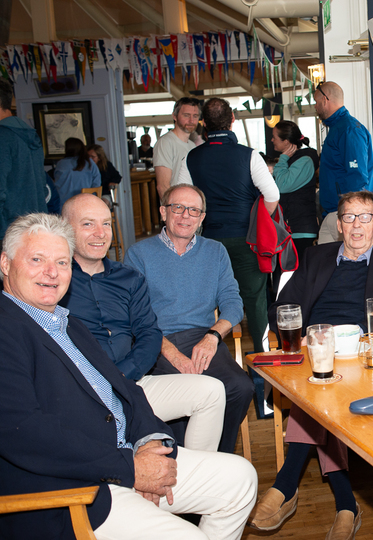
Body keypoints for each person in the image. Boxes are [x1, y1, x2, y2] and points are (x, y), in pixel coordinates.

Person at [0, 213, 257, 540]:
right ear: (5, 263)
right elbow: (24, 433)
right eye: (37, 260)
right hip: (77, 489)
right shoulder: (8, 329)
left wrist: (150, 442)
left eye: (62, 262)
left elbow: (126, 390)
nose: (52, 272)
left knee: (241, 479)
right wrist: (130, 468)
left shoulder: (68, 324)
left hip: (125, 456)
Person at [250, 191, 373, 539]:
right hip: (314, 348)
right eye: (349, 217)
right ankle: (345, 505)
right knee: (321, 387)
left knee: (320, 394)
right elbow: (282, 306)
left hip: (362, 351)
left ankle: (288, 486)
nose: (357, 225)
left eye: (365, 217)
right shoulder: (316, 256)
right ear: (339, 225)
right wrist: (304, 334)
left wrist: (357, 335)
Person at [60, 193, 226, 452]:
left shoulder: (128, 278)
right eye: (88, 224)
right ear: (65, 228)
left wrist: (122, 375)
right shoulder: (53, 281)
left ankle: (195, 467)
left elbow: (149, 333)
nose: (100, 233)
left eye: (106, 224)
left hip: (131, 382)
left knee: (213, 391)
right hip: (80, 391)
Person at [125, 184, 254, 454]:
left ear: (202, 217)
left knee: (240, 387)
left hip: (202, 337)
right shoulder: (139, 254)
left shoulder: (215, 251)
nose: (186, 216)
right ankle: (181, 459)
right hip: (156, 341)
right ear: (163, 212)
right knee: (185, 397)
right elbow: (135, 314)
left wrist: (213, 336)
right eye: (178, 208)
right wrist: (171, 353)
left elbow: (233, 303)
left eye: (194, 210)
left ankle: (218, 457)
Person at [176, 97, 280, 354]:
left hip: (209, 240)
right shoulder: (249, 155)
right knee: (255, 301)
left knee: (208, 301)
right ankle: (261, 359)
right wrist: (256, 223)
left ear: (204, 123)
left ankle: (210, 358)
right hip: (246, 239)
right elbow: (272, 195)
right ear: (232, 119)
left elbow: (180, 199)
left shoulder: (191, 158)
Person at [314, 82, 373, 244]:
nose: (315, 106)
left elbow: (357, 177)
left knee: (354, 260)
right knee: (323, 259)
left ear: (325, 100)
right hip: (332, 214)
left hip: (347, 215)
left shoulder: (349, 129)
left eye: (316, 101)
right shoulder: (337, 128)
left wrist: (351, 216)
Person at [0, 79, 48, 244]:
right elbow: (42, 187)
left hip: (8, 231)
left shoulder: (3, 136)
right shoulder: (30, 134)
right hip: (34, 226)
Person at [269, 119, 320, 256]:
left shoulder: (304, 161)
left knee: (298, 269)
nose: (272, 140)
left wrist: (283, 159)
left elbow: (281, 186)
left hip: (300, 230)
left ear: (286, 142)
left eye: (274, 137)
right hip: (290, 228)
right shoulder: (294, 160)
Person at [153, 97, 201, 197]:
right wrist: (172, 207)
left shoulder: (192, 145)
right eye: (186, 115)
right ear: (174, 116)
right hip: (176, 205)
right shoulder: (165, 143)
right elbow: (162, 187)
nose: (191, 120)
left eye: (195, 116)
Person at [53, 137, 101, 203]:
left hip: (64, 202)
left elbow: (57, 184)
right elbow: (96, 184)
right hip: (86, 202)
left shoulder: (61, 163)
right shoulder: (89, 162)